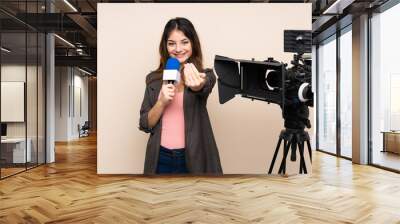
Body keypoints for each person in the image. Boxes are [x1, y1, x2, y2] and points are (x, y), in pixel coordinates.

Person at [139, 17, 223, 175]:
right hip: (160, 158)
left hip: (192, 157)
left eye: (184, 42)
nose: (178, 49)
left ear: (193, 44)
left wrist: (197, 84)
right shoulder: (153, 80)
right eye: (172, 43)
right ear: (165, 46)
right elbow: (145, 124)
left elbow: (203, 86)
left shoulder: (205, 75)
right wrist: (161, 102)